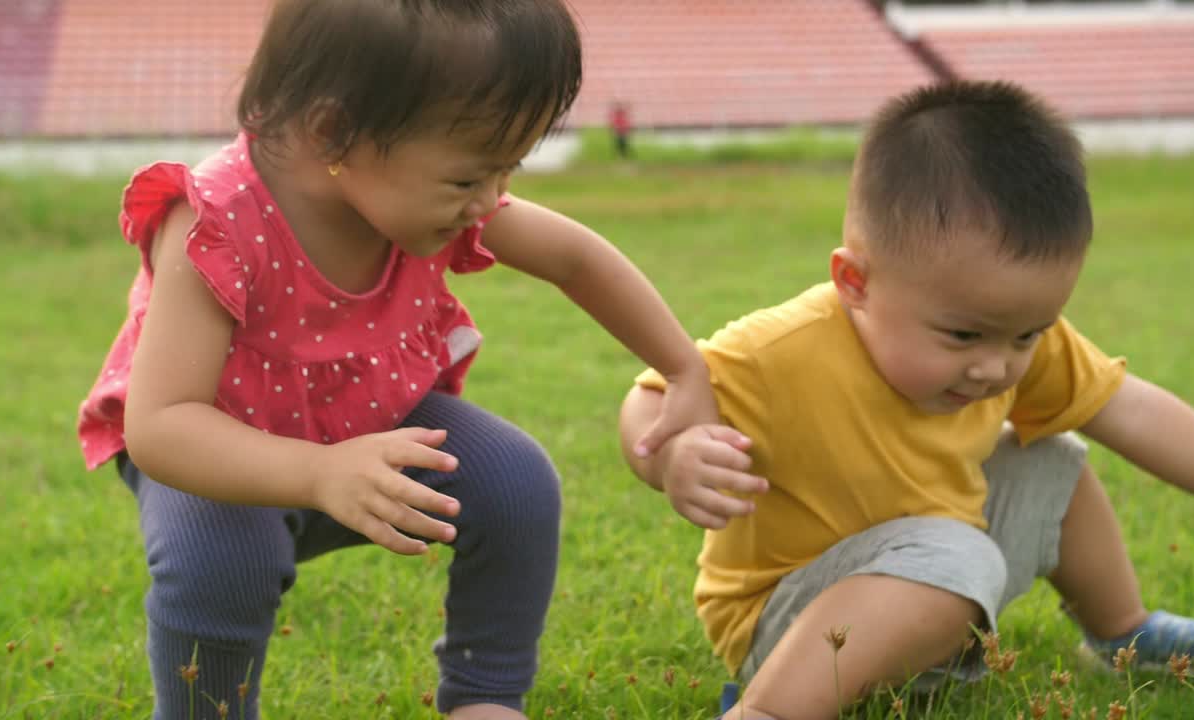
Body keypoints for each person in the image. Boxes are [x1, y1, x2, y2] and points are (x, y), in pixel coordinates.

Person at [76, 2, 716, 718]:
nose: (490, 202)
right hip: (218, 444)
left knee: (516, 482)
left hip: (369, 421)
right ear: (333, 131)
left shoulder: (410, 192)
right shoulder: (217, 222)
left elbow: (575, 259)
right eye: (468, 179)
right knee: (227, 559)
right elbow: (162, 425)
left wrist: (682, 367)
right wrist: (318, 472)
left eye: (506, 171)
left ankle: (486, 699)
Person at [618, 80, 1194, 720]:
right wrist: (672, 455)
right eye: (963, 335)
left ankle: (1124, 633)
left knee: (1052, 461)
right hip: (790, 623)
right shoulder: (781, 351)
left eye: (1027, 334)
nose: (996, 366)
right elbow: (654, 396)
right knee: (955, 552)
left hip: (940, 575)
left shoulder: (1010, 341)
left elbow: (1130, 408)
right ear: (855, 283)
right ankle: (767, 710)